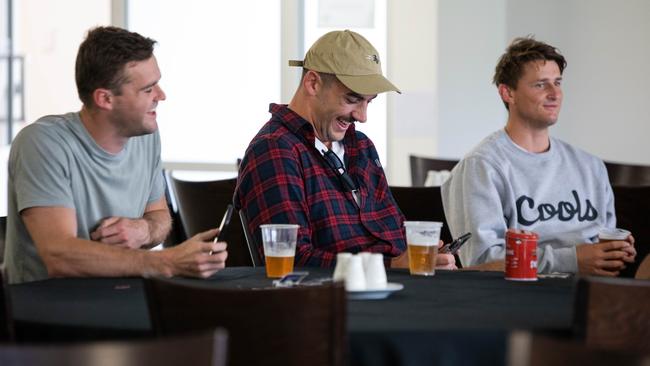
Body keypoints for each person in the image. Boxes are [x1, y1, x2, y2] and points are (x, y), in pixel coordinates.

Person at [4, 26, 227, 284]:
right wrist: (168, 261)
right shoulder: (43, 144)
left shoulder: (146, 136)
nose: (161, 96)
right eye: (148, 89)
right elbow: (59, 256)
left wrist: (143, 230)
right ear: (105, 99)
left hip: (121, 298)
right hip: (47, 313)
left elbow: (159, 216)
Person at [234, 30, 455, 269]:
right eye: (352, 99)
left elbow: (396, 236)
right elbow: (292, 261)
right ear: (313, 83)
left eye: (368, 102)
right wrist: (390, 266)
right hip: (334, 300)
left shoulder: (361, 146)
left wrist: (427, 259)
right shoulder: (274, 150)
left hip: (396, 288)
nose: (362, 116)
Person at [441, 37, 636, 276]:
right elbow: (480, 262)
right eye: (541, 84)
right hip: (523, 300)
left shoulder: (590, 166)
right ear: (507, 93)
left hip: (596, 296)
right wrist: (572, 260)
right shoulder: (481, 166)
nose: (555, 93)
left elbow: (603, 243)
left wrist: (617, 251)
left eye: (558, 82)